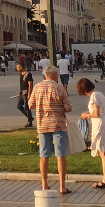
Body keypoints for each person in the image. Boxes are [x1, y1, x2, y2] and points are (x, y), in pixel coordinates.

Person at [29, 67, 72, 195]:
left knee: (44, 155)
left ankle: (44, 184)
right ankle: (62, 186)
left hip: (42, 125)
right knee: (60, 155)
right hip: (58, 125)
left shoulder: (37, 87)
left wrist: (42, 105)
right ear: (55, 75)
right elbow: (69, 108)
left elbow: (30, 105)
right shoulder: (60, 88)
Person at [76, 77, 105, 189]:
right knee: (104, 152)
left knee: (103, 153)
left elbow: (96, 114)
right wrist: (86, 112)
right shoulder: (99, 94)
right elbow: (97, 111)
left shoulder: (94, 96)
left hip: (101, 124)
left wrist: (86, 116)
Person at [16, 63, 35, 128]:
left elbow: (30, 85)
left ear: (21, 67)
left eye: (18, 67)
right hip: (21, 93)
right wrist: (20, 92)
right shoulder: (21, 74)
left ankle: (30, 122)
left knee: (27, 107)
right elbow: (21, 85)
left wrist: (30, 94)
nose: (17, 69)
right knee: (19, 106)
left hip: (26, 93)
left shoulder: (28, 75)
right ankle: (30, 117)